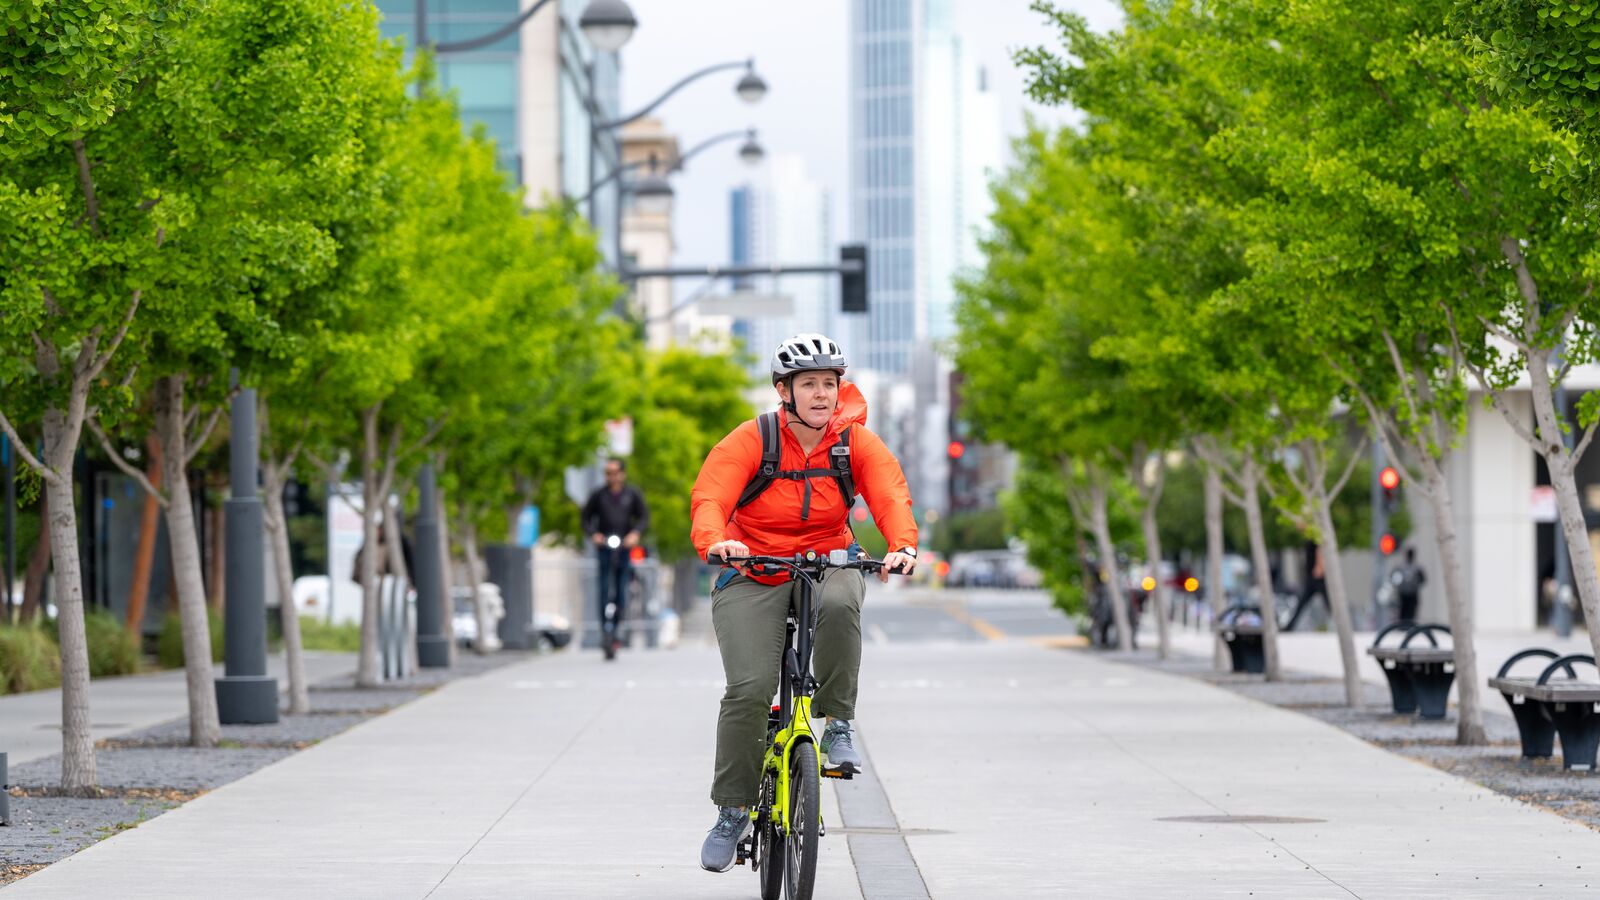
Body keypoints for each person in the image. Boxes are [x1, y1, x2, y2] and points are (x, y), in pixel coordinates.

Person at [689, 333, 918, 873]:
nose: (821, 394)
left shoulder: (854, 442)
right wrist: (716, 540)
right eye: (808, 384)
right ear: (783, 392)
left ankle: (837, 721)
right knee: (748, 690)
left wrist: (903, 545)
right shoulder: (752, 439)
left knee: (841, 605)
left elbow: (889, 493)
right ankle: (733, 808)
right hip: (753, 567)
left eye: (829, 384)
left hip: (827, 562)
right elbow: (712, 495)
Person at [581, 458, 649, 659]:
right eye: (608, 472)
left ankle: (617, 628)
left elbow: (643, 517)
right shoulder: (599, 495)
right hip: (604, 548)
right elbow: (585, 518)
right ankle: (605, 631)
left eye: (614, 472)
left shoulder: (631, 494)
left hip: (624, 548)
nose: (611, 476)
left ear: (622, 474)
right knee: (603, 588)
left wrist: (635, 533)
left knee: (621, 590)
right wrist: (594, 534)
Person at [1284, 539, 1327, 631]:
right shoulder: (1308, 536)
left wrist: (1319, 567)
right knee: (1302, 603)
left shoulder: (1314, 536)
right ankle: (1289, 627)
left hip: (1317, 577)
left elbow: (1319, 551)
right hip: (1311, 577)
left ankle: (1289, 627)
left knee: (1329, 604)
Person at [1390, 547, 1427, 622]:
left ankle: (1410, 625)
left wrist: (1416, 584)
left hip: (1413, 593)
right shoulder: (1401, 567)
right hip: (1403, 593)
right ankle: (1403, 625)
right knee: (1403, 610)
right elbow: (1394, 578)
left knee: (1411, 611)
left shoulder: (1417, 568)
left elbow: (1423, 579)